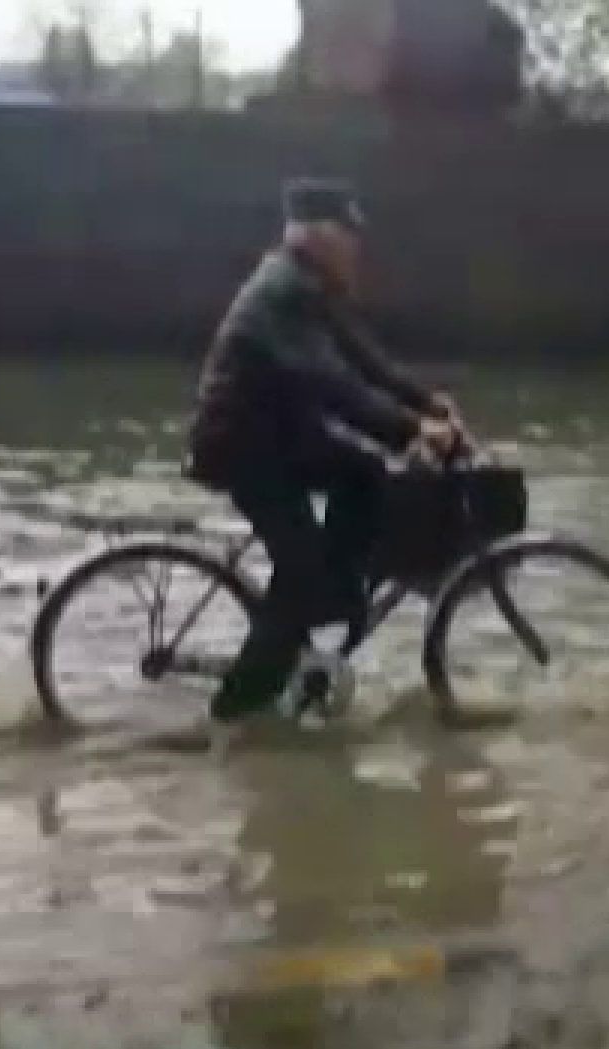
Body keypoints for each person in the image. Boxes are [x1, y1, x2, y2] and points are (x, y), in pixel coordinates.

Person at [188, 177, 460, 724]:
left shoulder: (313, 287)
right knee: (301, 579)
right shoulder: (284, 291)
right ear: (317, 237)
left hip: (282, 435)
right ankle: (235, 714)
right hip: (244, 448)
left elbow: (369, 363)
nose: (357, 246)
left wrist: (429, 405)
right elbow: (335, 384)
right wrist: (411, 430)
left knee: (364, 475)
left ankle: (339, 601)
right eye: (348, 234)